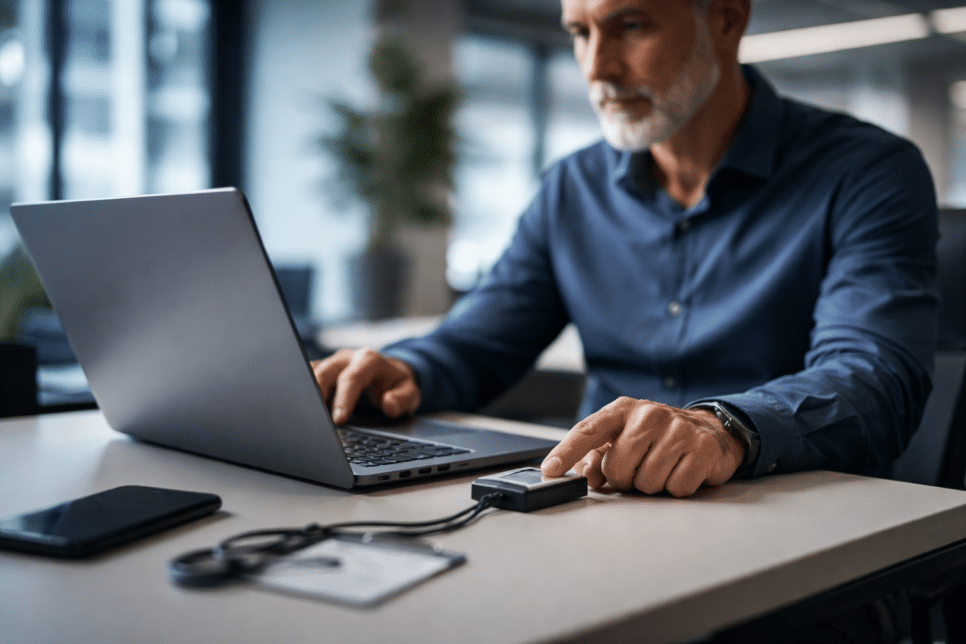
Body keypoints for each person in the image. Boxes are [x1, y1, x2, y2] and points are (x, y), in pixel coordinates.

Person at [313, 0, 938, 499]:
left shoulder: (867, 170)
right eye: (580, 32)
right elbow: (480, 340)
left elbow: (873, 376)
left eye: (630, 26)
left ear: (725, 18)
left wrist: (723, 427)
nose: (596, 68)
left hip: (788, 515)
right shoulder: (571, 188)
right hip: (598, 504)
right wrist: (407, 370)